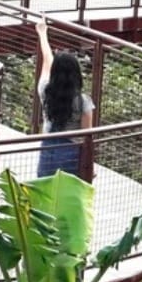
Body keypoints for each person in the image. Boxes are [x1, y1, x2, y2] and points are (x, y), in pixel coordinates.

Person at [34, 18, 94, 177]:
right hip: (71, 156)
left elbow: (47, 60)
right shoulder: (83, 102)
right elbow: (86, 139)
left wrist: (42, 33)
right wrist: (90, 168)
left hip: (48, 151)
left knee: (45, 192)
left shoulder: (45, 90)